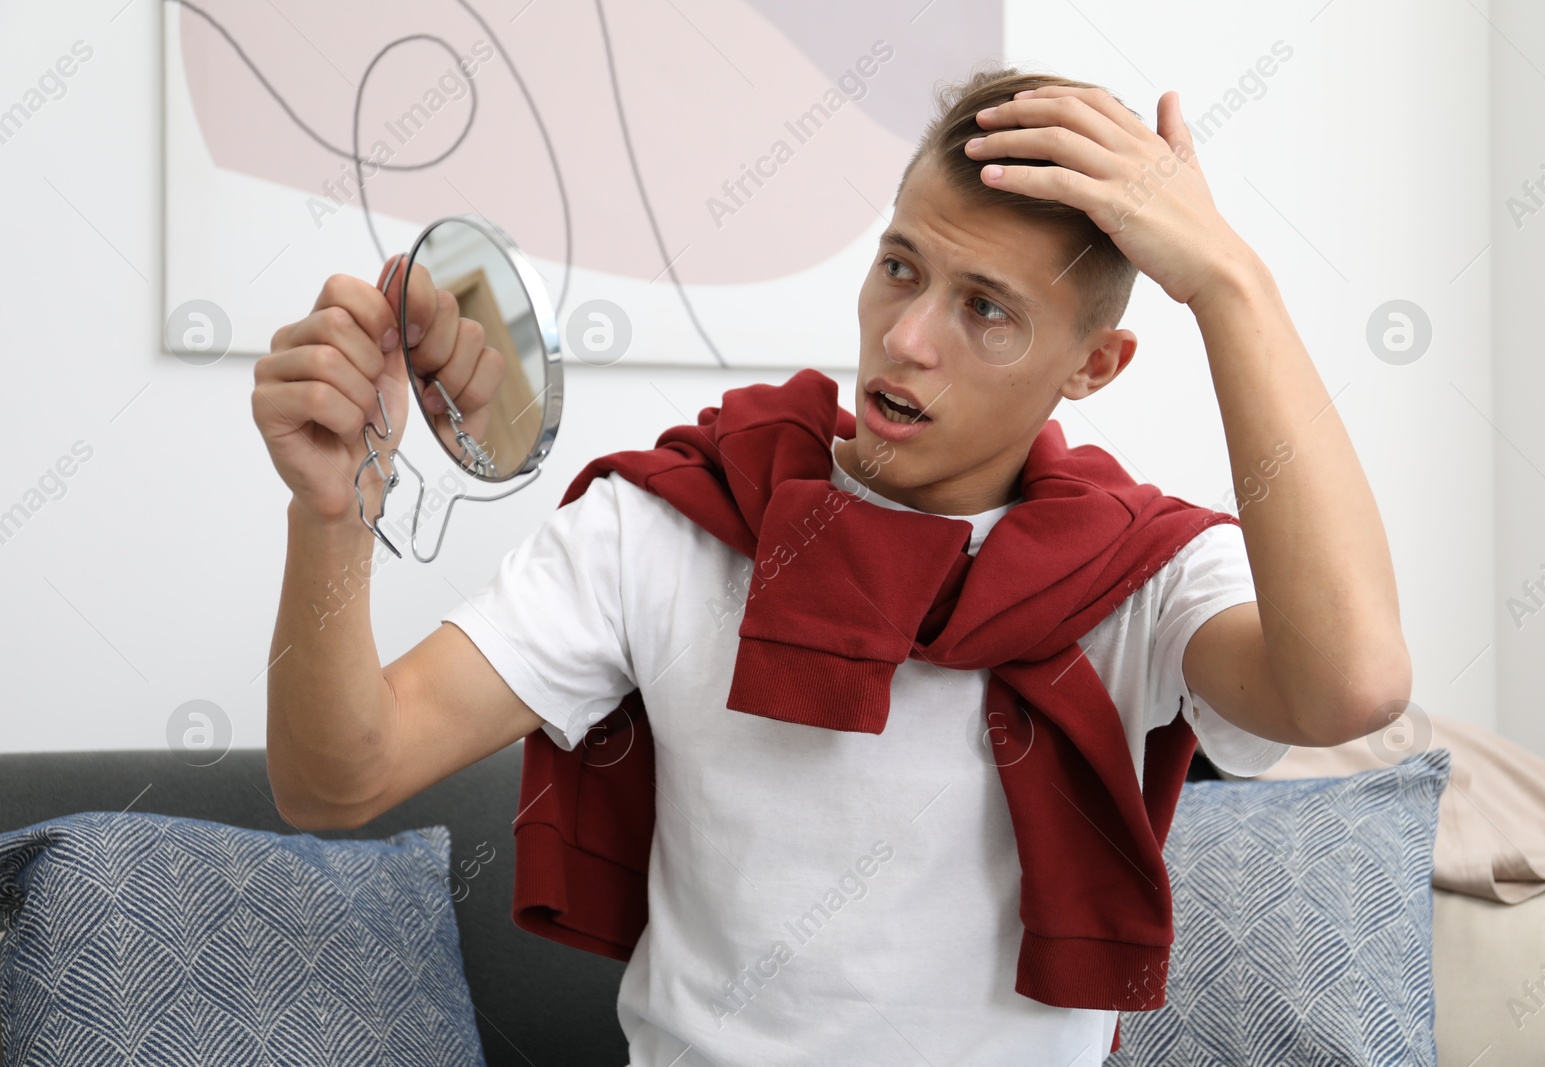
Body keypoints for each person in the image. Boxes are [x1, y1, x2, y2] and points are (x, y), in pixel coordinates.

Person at [251, 67, 1411, 1066]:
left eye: (986, 309)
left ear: (1093, 365)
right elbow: (334, 782)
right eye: (900, 267)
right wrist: (331, 511)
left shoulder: (1139, 578)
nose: (906, 338)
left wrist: (1229, 282)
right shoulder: (675, 521)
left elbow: (1348, 686)